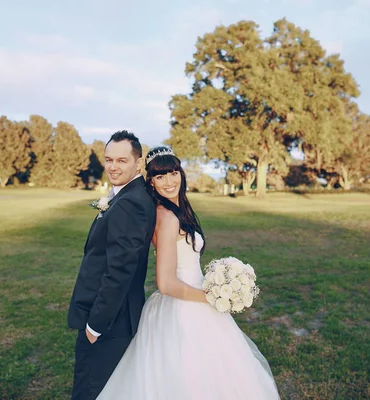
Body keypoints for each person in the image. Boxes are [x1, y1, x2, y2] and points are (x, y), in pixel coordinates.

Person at [97, 146, 281, 399]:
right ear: (150, 182)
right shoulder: (168, 219)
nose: (169, 181)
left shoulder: (175, 209)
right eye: (160, 176)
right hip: (184, 305)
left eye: (173, 173)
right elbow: (166, 283)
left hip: (194, 294)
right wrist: (212, 297)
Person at [67, 131, 156, 400]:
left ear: (138, 163)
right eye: (108, 160)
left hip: (109, 321)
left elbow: (120, 270)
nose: (113, 167)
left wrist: (96, 325)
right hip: (111, 317)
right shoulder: (125, 195)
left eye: (121, 160)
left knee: (91, 390)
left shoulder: (131, 203)